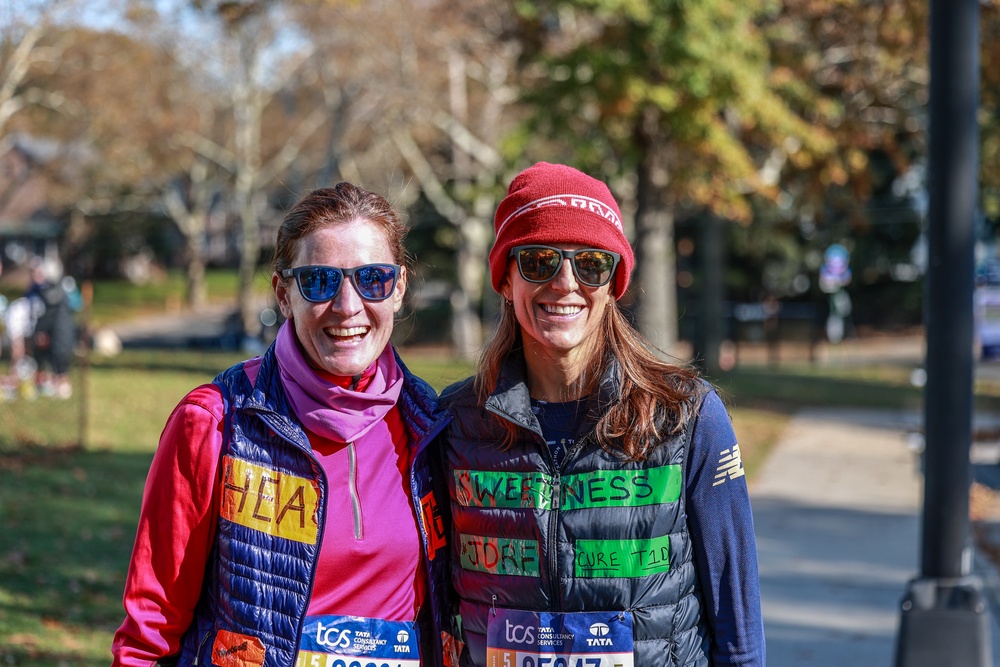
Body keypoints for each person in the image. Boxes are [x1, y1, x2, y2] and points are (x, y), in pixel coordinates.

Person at [112, 184, 455, 667]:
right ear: (283, 293)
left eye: (372, 279)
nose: (348, 306)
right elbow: (149, 634)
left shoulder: (433, 425)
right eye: (319, 281)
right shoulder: (214, 421)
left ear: (398, 288)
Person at [439, 163, 765, 667]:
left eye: (590, 263)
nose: (566, 283)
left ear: (614, 283)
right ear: (505, 279)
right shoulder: (455, 424)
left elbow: (738, 627)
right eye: (539, 260)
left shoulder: (688, 417)